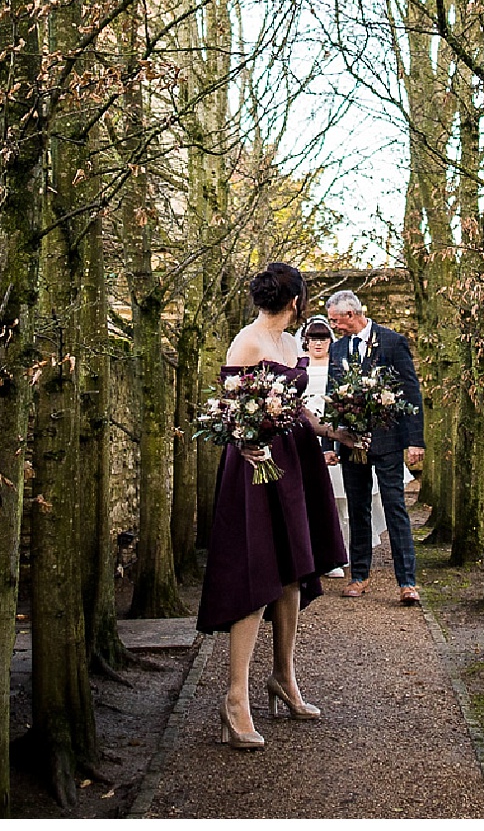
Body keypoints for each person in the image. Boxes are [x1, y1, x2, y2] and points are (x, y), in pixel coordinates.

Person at [194, 261, 354, 749]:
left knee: (293, 569)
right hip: (255, 465)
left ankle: (283, 678)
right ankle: (235, 700)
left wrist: (330, 430)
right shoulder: (247, 342)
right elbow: (229, 406)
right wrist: (244, 440)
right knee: (256, 570)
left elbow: (295, 401)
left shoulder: (291, 344)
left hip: (296, 459)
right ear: (295, 301)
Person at [325, 289, 427, 604]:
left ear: (352, 315)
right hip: (351, 444)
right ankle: (359, 576)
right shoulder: (337, 348)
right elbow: (332, 397)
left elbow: (410, 391)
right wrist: (330, 442)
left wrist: (414, 440)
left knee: (395, 508)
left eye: (336, 321)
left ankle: (407, 582)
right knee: (357, 510)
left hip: (388, 440)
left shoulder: (393, 342)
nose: (334, 327)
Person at [300, 318, 350, 575]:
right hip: (306, 433)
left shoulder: (339, 366)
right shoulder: (298, 368)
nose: (318, 343)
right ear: (305, 341)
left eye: (323, 338)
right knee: (310, 496)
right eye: (313, 338)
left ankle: (340, 554)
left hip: (334, 434)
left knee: (341, 500)